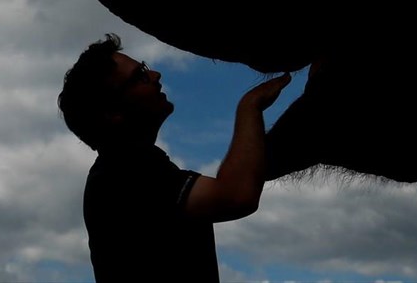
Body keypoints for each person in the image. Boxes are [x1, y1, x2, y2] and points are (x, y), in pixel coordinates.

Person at [57, 34, 291, 281]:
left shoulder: (123, 170)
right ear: (112, 113)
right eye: (140, 77)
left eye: (145, 68)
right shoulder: (125, 173)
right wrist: (251, 105)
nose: (156, 75)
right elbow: (236, 195)